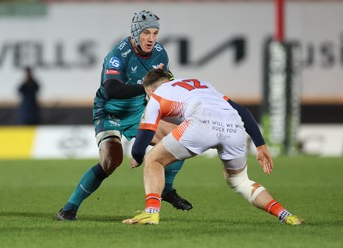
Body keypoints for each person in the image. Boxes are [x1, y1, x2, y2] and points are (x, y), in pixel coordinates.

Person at [57, 10, 192, 221]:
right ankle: (69, 208)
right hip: (109, 111)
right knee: (112, 160)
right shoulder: (118, 55)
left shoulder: (160, 53)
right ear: (136, 33)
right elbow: (111, 89)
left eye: (155, 33)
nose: (151, 38)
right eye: (146, 33)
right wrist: (146, 88)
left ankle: (166, 189)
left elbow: (166, 80)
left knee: (180, 139)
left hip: (137, 111)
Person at [122, 69, 303, 225]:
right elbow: (242, 111)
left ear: (151, 90)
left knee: (154, 160)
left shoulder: (157, 96)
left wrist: (138, 157)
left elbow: (140, 145)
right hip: (233, 125)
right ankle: (286, 215)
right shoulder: (202, 84)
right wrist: (260, 145)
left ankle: (151, 213)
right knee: (240, 181)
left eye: (147, 94)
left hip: (201, 122)